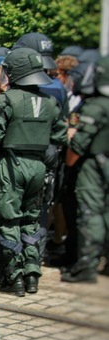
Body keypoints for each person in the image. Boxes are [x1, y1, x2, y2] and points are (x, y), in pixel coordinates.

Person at [0, 47, 68, 296]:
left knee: (9, 221)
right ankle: (32, 275)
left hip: (11, 164)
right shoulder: (50, 102)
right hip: (39, 165)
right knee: (31, 220)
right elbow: (60, 135)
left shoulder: (6, 99)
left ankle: (15, 277)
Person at [61, 55, 109, 282]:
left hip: (93, 165)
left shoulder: (96, 106)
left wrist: (70, 164)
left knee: (91, 214)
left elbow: (79, 144)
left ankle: (87, 266)